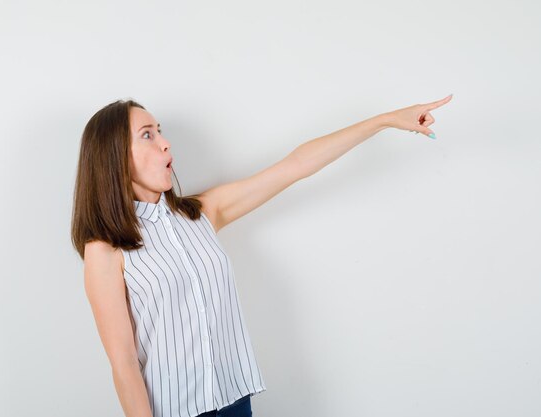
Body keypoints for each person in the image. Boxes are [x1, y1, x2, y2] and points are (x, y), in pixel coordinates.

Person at [70, 94, 453, 417]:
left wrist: (385, 121)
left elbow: (295, 166)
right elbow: (123, 365)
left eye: (161, 131)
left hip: (235, 402)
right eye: (148, 135)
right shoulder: (105, 250)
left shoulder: (200, 213)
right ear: (115, 158)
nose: (165, 143)